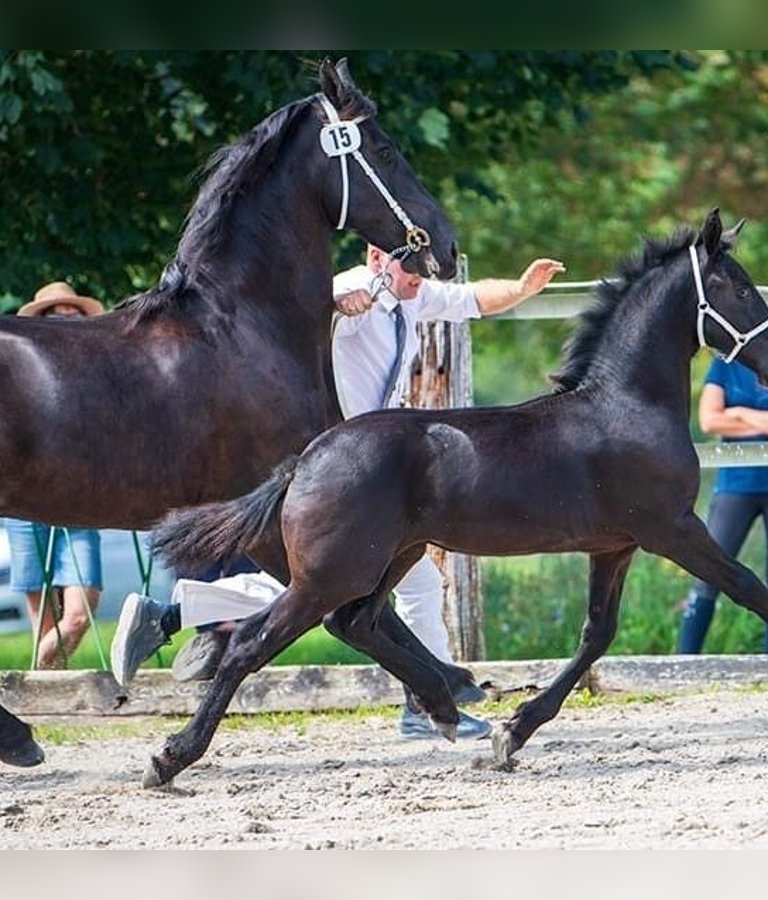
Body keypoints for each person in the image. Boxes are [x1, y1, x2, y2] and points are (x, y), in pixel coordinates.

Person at [112, 246, 565, 739]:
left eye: (421, 275)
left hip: (380, 468)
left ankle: (174, 613)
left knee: (333, 586)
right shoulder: (358, 288)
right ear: (377, 258)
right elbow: (297, 308)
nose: (418, 282)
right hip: (344, 468)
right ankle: (426, 702)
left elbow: (469, 299)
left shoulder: (408, 292)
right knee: (352, 586)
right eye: (410, 271)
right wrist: (334, 303)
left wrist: (521, 289)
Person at [678, 311, 768, 654]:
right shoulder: (724, 366)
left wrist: (737, 414)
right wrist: (766, 421)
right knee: (708, 573)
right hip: (735, 484)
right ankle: (683, 660)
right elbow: (709, 420)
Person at [6, 282, 107, 669]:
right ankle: (47, 698)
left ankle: (30, 685)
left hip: (79, 503)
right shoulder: (19, 373)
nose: (67, 323)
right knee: (44, 623)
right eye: (56, 316)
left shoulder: (98, 377)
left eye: (74, 315)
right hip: (26, 504)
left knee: (79, 616)